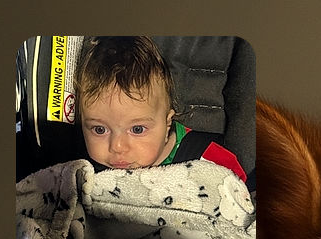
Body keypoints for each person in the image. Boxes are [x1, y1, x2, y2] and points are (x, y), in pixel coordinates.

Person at [75, 36, 246, 181]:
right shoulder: (83, 169)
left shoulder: (210, 161)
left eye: (137, 129)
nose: (117, 147)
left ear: (167, 124)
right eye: (99, 129)